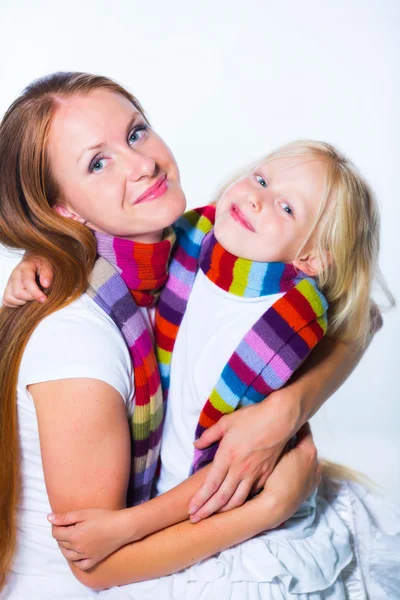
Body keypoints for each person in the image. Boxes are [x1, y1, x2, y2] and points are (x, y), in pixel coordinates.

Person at [0, 72, 395, 599]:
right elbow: (94, 564)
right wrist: (273, 505)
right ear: (63, 209)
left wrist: (288, 409)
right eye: (98, 162)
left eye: (136, 132)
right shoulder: (80, 338)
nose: (142, 163)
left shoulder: (185, 253)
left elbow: (360, 311)